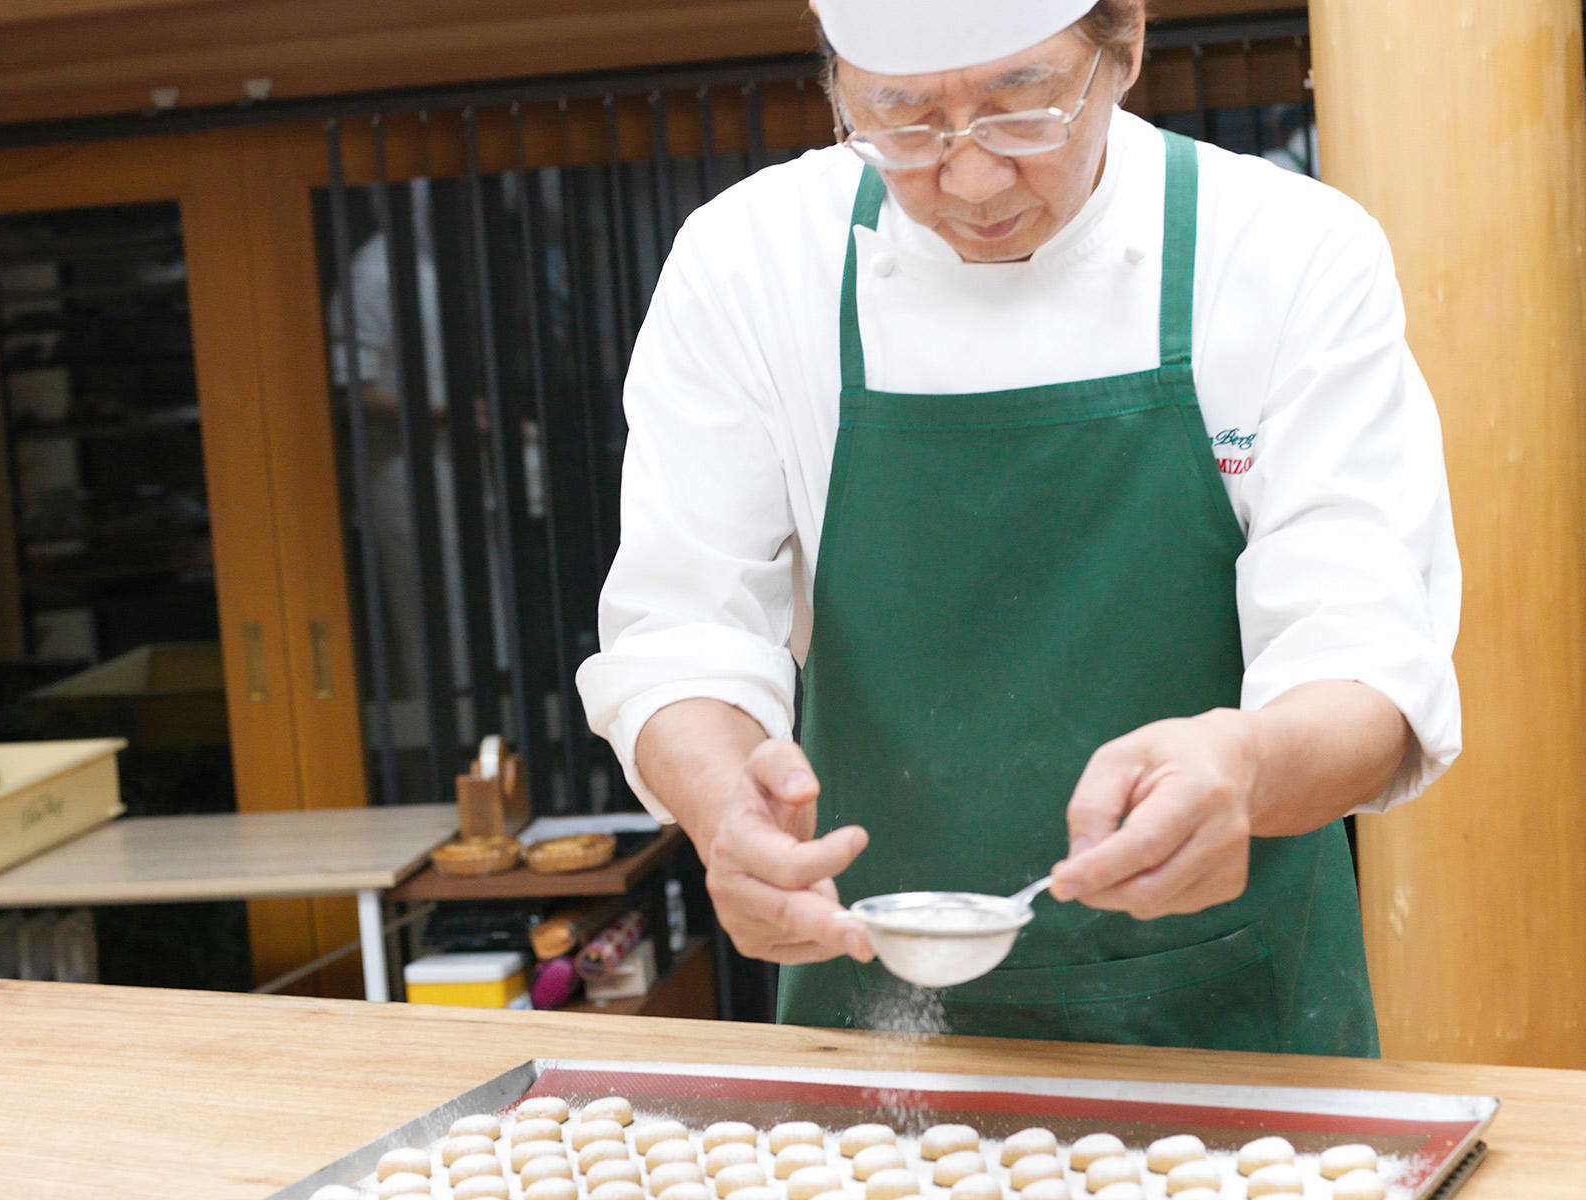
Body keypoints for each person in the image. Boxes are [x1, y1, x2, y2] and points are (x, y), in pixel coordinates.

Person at [576, 0, 1460, 1056]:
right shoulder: (749, 264)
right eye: (902, 121)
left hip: (1235, 1022)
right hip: (876, 1006)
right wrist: (726, 807)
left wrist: (1250, 763)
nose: (972, 176)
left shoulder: (1286, 252)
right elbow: (682, 628)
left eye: (1023, 107)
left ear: (1125, 42)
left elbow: (1366, 654)